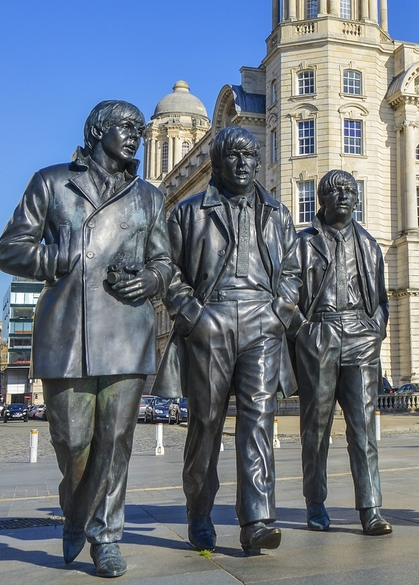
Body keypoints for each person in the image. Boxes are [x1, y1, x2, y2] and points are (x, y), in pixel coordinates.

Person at [0, 100, 173, 578]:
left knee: (115, 442)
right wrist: (55, 257)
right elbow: (8, 249)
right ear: (97, 131)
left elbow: (164, 261)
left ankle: (106, 537)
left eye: (139, 129)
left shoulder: (149, 197)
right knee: (72, 442)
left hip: (126, 329)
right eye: (125, 127)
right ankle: (75, 511)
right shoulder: (52, 182)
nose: (134, 136)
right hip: (67, 332)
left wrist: (151, 280)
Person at [155, 126, 299, 555]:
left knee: (259, 420)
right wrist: (192, 314)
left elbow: (293, 271)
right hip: (211, 318)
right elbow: (166, 267)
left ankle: (257, 519)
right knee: (206, 422)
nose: (242, 164)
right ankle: (199, 512)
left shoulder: (277, 213)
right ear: (217, 163)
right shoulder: (188, 212)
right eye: (233, 156)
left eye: (249, 156)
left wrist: (279, 312)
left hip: (262, 320)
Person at [286, 170, 393, 536]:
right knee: (316, 428)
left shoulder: (370, 244)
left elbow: (382, 299)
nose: (343, 196)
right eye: (335, 191)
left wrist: (376, 328)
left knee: (364, 429)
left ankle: (371, 508)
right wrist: (304, 331)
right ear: (323, 200)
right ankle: (315, 502)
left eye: (349, 190)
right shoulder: (303, 243)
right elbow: (286, 297)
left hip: (361, 335)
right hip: (320, 332)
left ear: (357, 199)